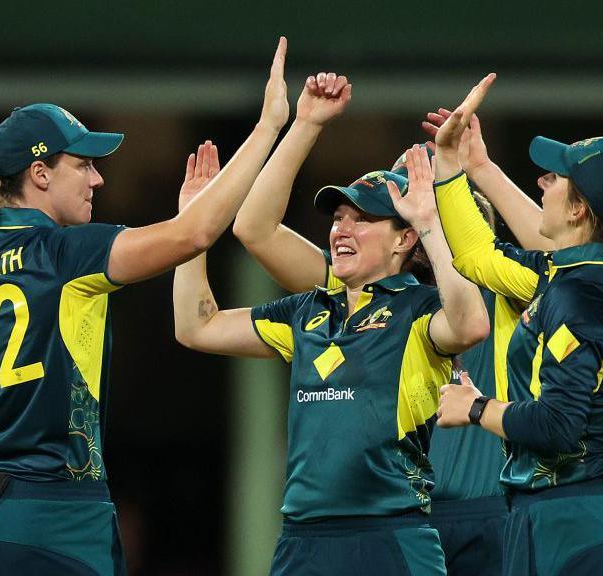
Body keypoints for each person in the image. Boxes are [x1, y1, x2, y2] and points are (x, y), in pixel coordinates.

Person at [0, 38, 291, 575]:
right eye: (83, 164)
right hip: (58, 516)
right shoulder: (63, 254)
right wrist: (268, 128)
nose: (97, 178)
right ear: (41, 174)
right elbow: (193, 235)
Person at [174, 70, 490, 572]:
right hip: (303, 538)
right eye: (338, 217)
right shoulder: (307, 310)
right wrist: (188, 229)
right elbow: (197, 327)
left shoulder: (417, 309)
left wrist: (429, 221)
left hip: (391, 534)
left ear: (402, 239)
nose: (342, 229)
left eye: (361, 219)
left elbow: (472, 325)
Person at [434, 75, 603, 575]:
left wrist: (476, 408)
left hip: (576, 523)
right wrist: (455, 166)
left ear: (580, 208)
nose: (541, 181)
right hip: (563, 515)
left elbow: (559, 425)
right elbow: (477, 255)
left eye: (555, 177)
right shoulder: (574, 275)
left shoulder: (578, 294)